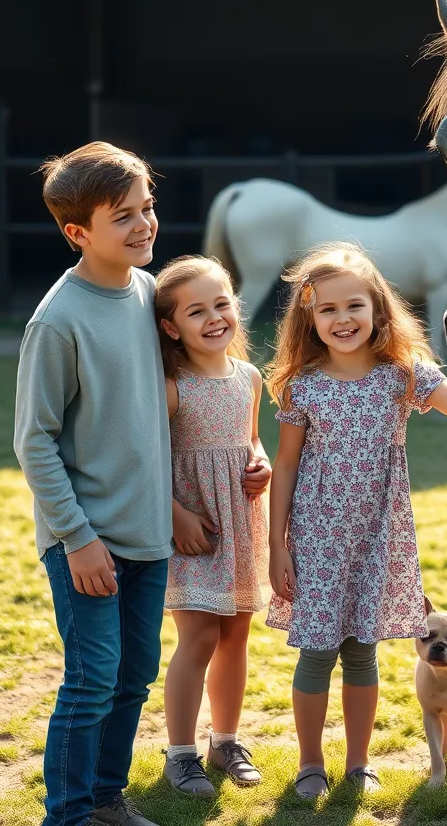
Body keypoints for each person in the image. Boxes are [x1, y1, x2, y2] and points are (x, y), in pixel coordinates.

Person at [265, 242, 447, 798]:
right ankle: (311, 765)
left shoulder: (403, 375)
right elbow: (286, 463)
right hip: (316, 541)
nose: (342, 319)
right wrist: (277, 545)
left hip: (377, 541)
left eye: (354, 306)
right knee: (317, 655)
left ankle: (358, 763)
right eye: (328, 310)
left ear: (378, 309)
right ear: (309, 318)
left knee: (363, 654)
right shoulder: (303, 384)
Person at [13, 142, 171, 826]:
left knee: (134, 677)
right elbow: (34, 440)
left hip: (149, 534)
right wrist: (77, 539)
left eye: (148, 208)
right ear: (78, 232)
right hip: (86, 542)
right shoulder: (57, 321)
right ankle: (68, 815)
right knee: (90, 683)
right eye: (124, 217)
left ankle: (107, 797)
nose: (144, 226)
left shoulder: (146, 292)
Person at [153, 256, 271, 797]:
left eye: (221, 304)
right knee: (197, 636)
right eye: (196, 311)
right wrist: (176, 515)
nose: (214, 317)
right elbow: (148, 459)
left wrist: (261, 464)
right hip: (193, 526)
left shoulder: (249, 377)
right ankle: (180, 754)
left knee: (235, 635)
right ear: (172, 328)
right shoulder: (172, 386)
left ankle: (225, 742)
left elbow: (252, 441)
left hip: (241, 522)